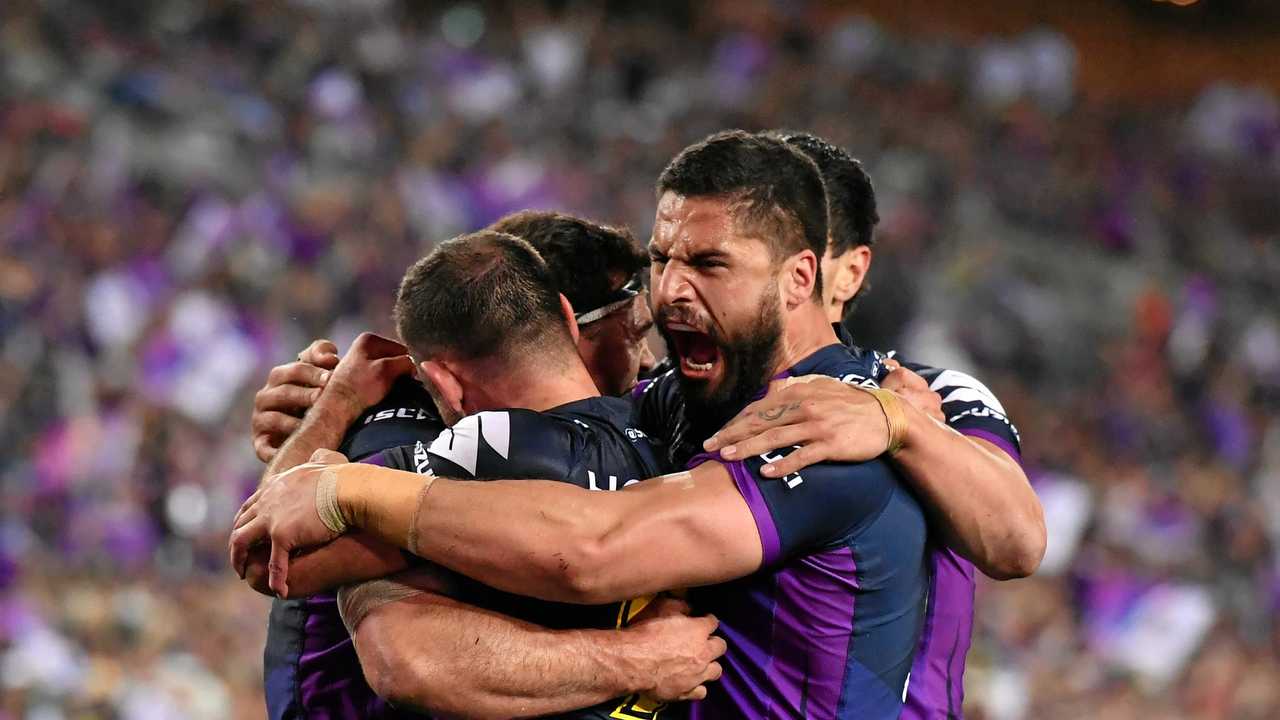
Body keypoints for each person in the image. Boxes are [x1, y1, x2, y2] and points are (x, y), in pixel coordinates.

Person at [233, 131, 933, 718]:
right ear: (562, 321)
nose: (654, 326)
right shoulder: (446, 428)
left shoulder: (724, 419)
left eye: (704, 264)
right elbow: (382, 630)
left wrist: (908, 424)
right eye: (655, 277)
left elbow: (1016, 538)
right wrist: (630, 660)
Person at [250, 230, 725, 718]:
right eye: (629, 332)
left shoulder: (656, 413)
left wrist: (337, 405)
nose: (645, 359)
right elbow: (404, 654)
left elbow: (265, 552)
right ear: (567, 321)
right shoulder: (684, 430)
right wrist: (637, 660)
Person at [698, 131, 1042, 718]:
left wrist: (900, 423)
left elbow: (1017, 542)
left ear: (851, 271)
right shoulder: (695, 396)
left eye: (801, 249)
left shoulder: (939, 396)